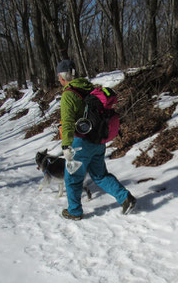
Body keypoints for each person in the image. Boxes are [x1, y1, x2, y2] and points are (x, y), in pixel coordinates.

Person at [57, 59, 136, 220]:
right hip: (98, 141)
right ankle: (125, 198)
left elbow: (67, 123)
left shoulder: (68, 94)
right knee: (100, 175)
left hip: (79, 143)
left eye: (58, 75)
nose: (58, 79)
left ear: (63, 76)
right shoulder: (91, 88)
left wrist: (66, 146)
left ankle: (74, 211)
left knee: (72, 178)